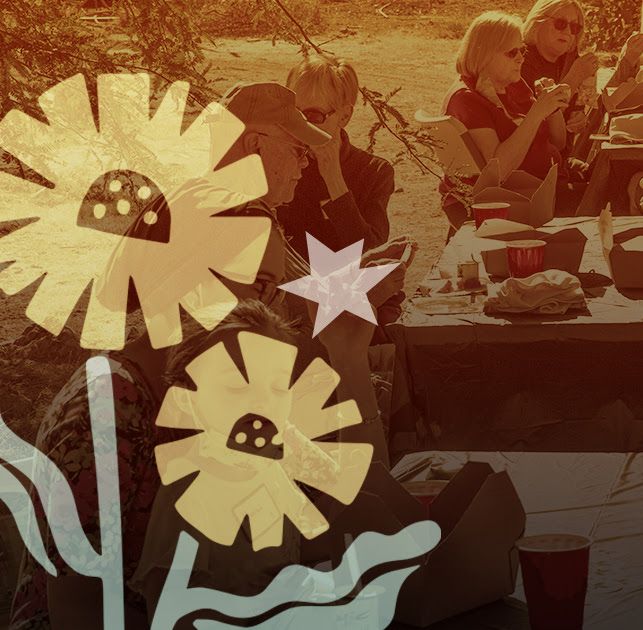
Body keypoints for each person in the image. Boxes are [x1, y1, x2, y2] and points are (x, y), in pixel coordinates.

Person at [7, 83, 398, 628]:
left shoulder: (230, 382)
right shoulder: (107, 411)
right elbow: (81, 610)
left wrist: (348, 356)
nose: (273, 308)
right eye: (257, 288)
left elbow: (354, 503)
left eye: (273, 289)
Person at [441, 11, 572, 230]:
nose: (521, 58)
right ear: (484, 54)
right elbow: (498, 171)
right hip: (514, 200)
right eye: (512, 53)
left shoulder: (513, 84)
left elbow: (559, 143)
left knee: (611, 181)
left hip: (542, 186)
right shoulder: (467, 99)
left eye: (522, 50)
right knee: (609, 197)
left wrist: (552, 108)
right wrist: (537, 113)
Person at [279, 55, 392, 261]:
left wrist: (333, 178)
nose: (301, 125)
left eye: (313, 115)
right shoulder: (278, 162)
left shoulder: (374, 172)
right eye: (295, 112)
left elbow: (372, 256)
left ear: (344, 116)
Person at [521, 0, 599, 136]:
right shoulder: (521, 60)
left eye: (574, 27)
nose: (568, 31)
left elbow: (575, 112)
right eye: (560, 24)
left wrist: (580, 120)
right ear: (538, 22)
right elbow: (539, 127)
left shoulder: (571, 60)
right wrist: (575, 76)